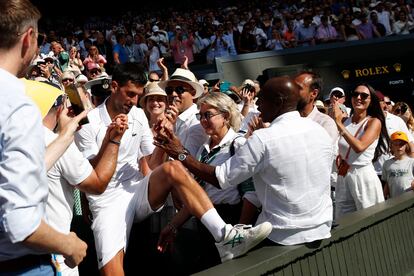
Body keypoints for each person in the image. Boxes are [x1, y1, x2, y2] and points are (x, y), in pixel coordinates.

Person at [75, 63, 271, 275]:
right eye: (130, 94)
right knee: (112, 271)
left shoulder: (138, 115)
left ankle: (226, 236)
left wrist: (162, 144)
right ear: (114, 87)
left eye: (137, 96)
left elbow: (149, 163)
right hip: (106, 200)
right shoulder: (88, 122)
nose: (133, 102)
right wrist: (110, 140)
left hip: (136, 191)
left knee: (173, 168)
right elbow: (91, 175)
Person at [155, 76, 334, 247]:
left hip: (281, 236)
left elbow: (221, 179)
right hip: (321, 230)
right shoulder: (319, 131)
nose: (258, 106)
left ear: (278, 102)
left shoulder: (263, 139)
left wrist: (181, 154)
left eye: (261, 99)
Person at [0, 1, 86, 274]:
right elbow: (20, 223)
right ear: (28, 38)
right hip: (18, 266)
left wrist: (65, 134)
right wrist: (69, 244)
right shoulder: (16, 105)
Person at [157, 93, 259, 272]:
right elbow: (198, 196)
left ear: (225, 116)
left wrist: (238, 235)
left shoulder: (239, 145)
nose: (203, 120)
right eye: (200, 115)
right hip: (206, 224)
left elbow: (250, 193)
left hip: (231, 220)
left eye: (208, 115)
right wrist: (172, 226)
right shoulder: (204, 150)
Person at [39, 93, 128, 275]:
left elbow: (84, 173)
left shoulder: (11, 138)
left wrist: (104, 142)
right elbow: (97, 184)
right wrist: (114, 139)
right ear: (60, 109)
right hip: (55, 256)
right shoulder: (58, 143)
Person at [330, 83, 389, 219]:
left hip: (363, 174)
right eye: (355, 94)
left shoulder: (374, 122)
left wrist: (339, 124)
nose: (358, 97)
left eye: (364, 95)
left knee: (370, 218)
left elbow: (359, 146)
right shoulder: (345, 121)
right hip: (343, 174)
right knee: (343, 219)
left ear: (371, 100)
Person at [158, 68, 207, 156]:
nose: (173, 94)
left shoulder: (197, 122)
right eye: (169, 90)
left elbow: (188, 162)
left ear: (193, 93)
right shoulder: (172, 119)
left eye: (179, 89)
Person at [382, 131, 414, 199]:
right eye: (396, 144)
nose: (399, 147)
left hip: (409, 201)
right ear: (391, 146)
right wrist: (383, 198)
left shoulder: (412, 162)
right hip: (394, 201)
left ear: (406, 146)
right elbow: (387, 183)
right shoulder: (387, 163)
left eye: (401, 144)